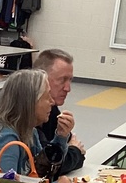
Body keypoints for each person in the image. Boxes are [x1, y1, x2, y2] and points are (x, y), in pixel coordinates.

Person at [33, 48, 86, 176]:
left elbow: (63, 158)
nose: (68, 88)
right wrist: (75, 152)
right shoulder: (28, 115)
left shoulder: (52, 110)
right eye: (62, 80)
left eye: (70, 80)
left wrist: (73, 153)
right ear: (42, 79)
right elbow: (45, 165)